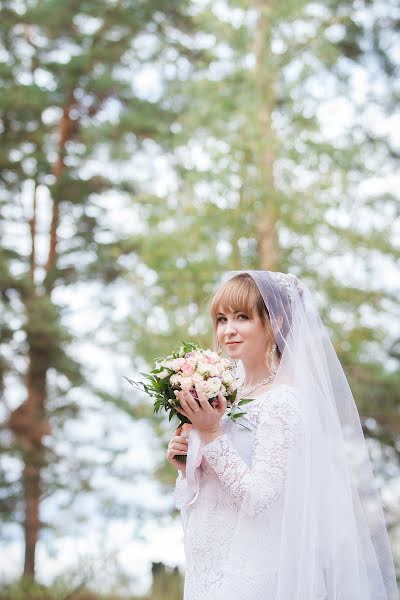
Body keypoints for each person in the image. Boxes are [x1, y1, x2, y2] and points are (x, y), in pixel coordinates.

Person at [166, 271, 399, 600]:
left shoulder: (285, 401)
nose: (227, 330)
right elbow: (210, 491)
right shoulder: (227, 395)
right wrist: (186, 466)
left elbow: (259, 498)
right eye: (221, 319)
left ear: (275, 321)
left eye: (241, 317)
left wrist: (212, 433)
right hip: (207, 563)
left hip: (252, 569)